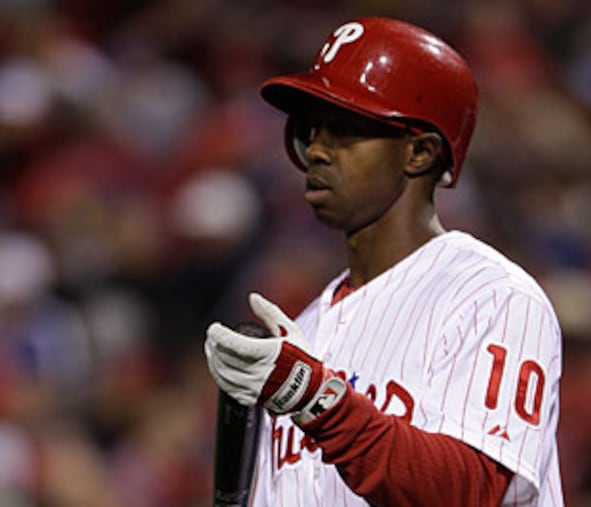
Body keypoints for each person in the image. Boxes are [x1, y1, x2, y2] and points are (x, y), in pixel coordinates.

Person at [204, 17, 564, 506]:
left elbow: (472, 490)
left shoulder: (493, 297)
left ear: (419, 152)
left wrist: (314, 397)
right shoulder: (305, 331)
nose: (317, 150)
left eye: (344, 130)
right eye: (312, 130)